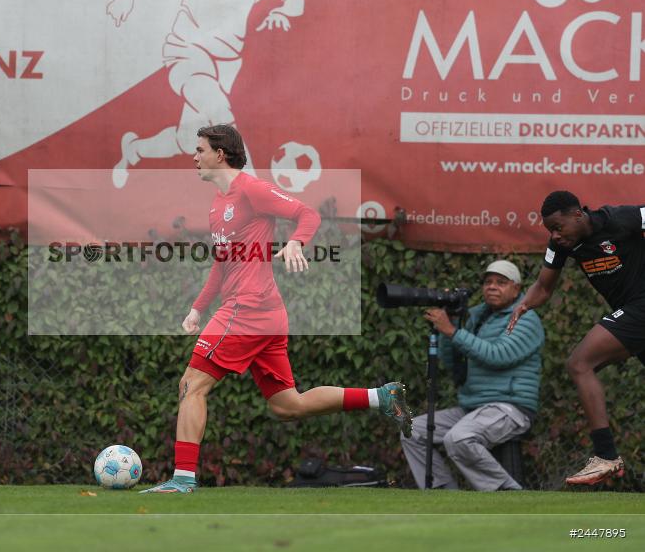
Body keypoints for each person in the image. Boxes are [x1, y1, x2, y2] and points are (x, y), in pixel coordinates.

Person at [139, 124, 411, 494]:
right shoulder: (219, 204)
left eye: (200, 150)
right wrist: (197, 308)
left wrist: (297, 243)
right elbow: (222, 264)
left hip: (246, 310)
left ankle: (182, 480)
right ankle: (381, 396)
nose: (194, 156)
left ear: (221, 154)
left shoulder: (250, 188)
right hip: (261, 314)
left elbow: (307, 214)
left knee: (191, 385)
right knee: (288, 405)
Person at [108, 0, 305, 188]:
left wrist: (282, 11)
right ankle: (252, 188)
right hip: (186, 48)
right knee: (219, 113)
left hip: (228, 60)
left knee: (185, 138)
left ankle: (134, 150)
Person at [508, 191, 645, 485]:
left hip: (641, 307)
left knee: (580, 363)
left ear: (578, 215)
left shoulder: (621, 218)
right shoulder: (562, 245)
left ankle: (606, 456)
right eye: (549, 231)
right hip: (633, 315)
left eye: (558, 227)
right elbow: (544, 288)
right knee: (583, 367)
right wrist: (524, 304)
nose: (555, 236)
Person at [401, 260, 544, 491]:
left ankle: (507, 493)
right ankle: (443, 492)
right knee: (411, 430)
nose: (492, 287)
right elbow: (453, 361)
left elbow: (498, 355)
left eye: (501, 282)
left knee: (459, 438)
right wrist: (452, 323)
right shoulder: (477, 315)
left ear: (517, 289)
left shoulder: (526, 319)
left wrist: (452, 330)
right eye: (488, 282)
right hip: (474, 408)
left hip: (510, 408)